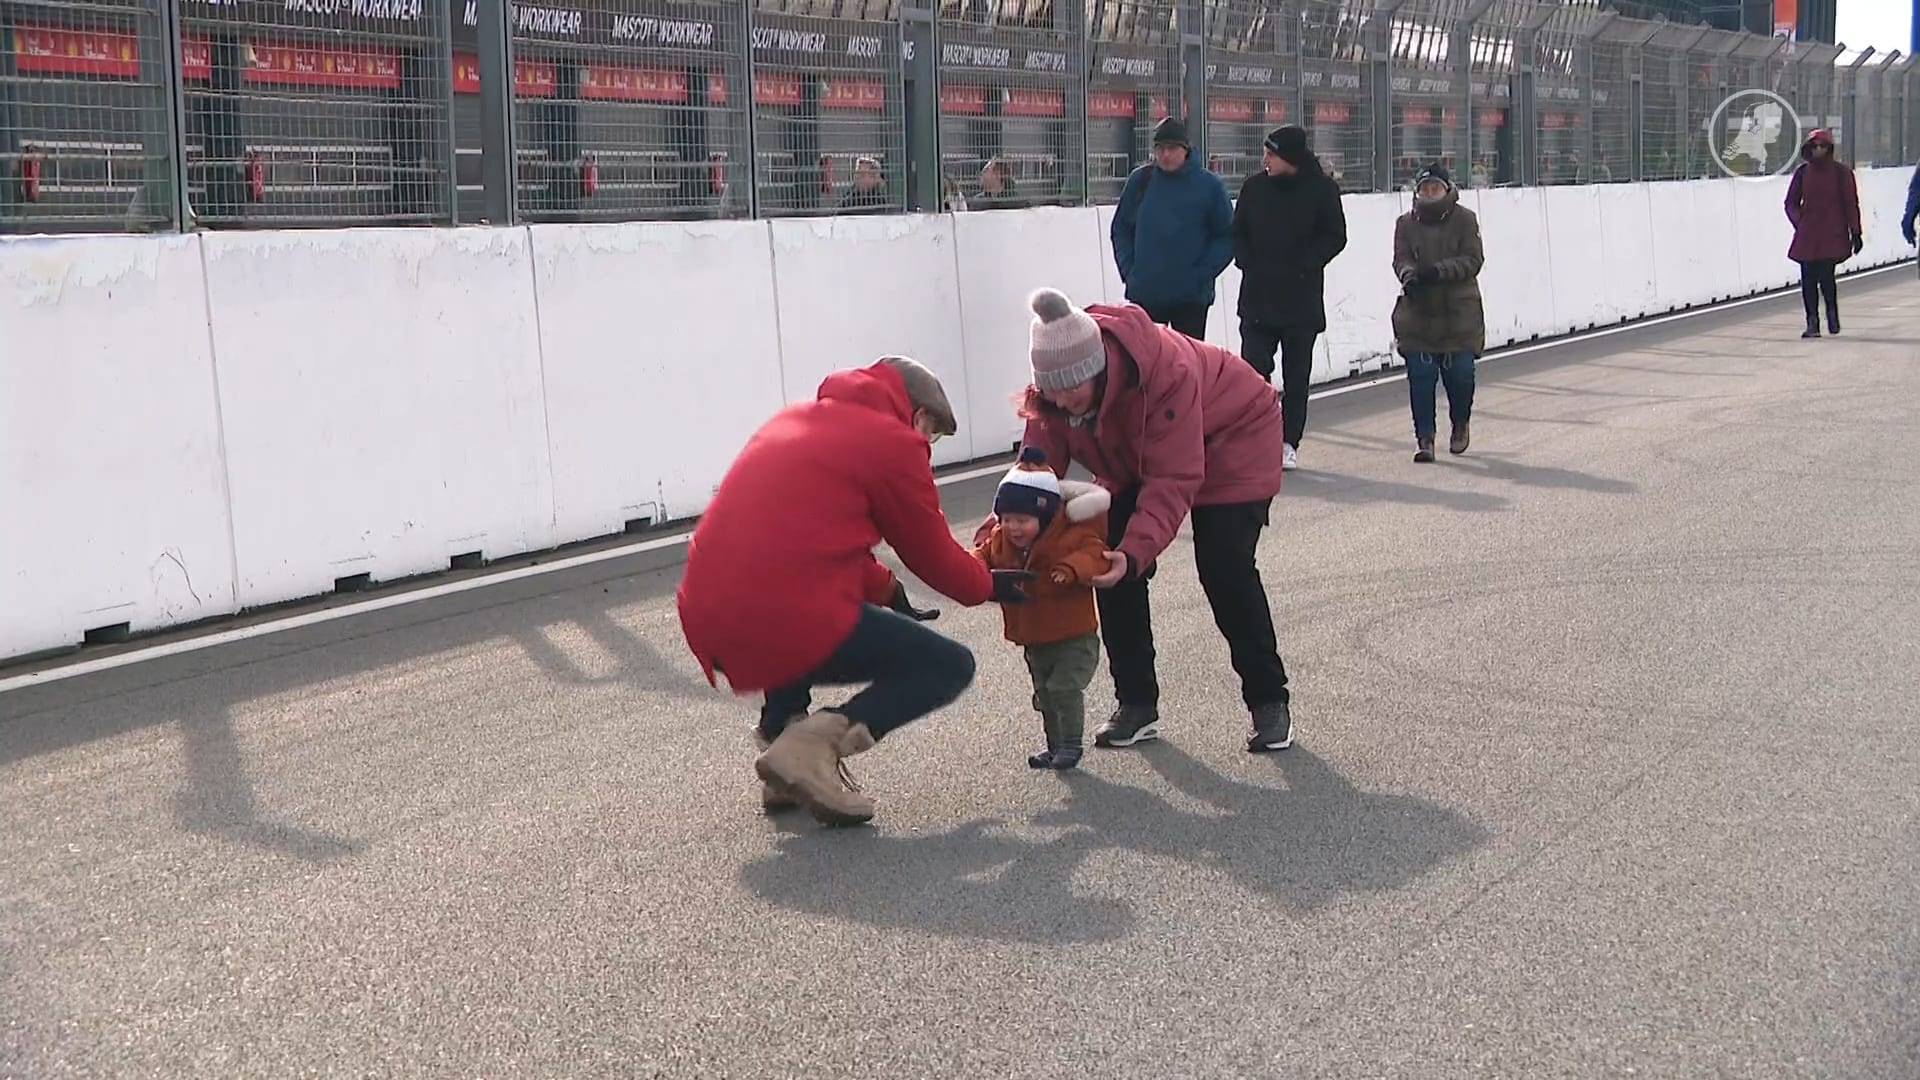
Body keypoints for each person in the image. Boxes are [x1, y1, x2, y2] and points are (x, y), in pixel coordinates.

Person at [676, 356, 1032, 826]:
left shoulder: (796, 421)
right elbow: (935, 556)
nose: (928, 444)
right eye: (934, 434)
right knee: (948, 665)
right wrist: (988, 584)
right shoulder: (894, 445)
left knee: (795, 600)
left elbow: (802, 542)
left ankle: (785, 744)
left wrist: (887, 590)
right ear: (918, 415)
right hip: (778, 613)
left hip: (706, 614)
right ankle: (809, 750)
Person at [980, 287, 1295, 753]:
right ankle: (1136, 704)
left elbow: (1173, 478)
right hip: (1140, 454)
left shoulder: (1168, 375)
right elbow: (1035, 472)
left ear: (1098, 370)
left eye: (1072, 389)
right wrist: (999, 526)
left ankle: (1269, 701)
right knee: (1101, 561)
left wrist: (1136, 553)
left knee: (1223, 567)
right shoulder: (1054, 394)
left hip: (1236, 434)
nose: (1064, 400)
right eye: (1053, 390)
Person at [972, 447, 1112, 770]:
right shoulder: (1000, 539)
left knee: (1064, 689)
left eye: (1022, 520)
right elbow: (979, 555)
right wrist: (972, 569)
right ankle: (1054, 745)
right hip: (1034, 637)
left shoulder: (1071, 536)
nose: (1014, 528)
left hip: (1073, 636)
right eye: (1007, 519)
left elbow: (1095, 554)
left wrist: (1071, 568)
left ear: (1046, 516)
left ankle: (1072, 746)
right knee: (1044, 696)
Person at [1232, 124, 1349, 472]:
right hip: (1258, 296)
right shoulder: (1254, 188)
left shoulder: (1322, 189)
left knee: (1296, 377)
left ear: (1291, 157)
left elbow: (1336, 236)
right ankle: (1255, 438)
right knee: (1253, 374)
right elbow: (1237, 230)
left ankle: (1288, 441)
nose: (1265, 159)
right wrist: (1246, 259)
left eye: (1273, 153)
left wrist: (1306, 261)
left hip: (1300, 300)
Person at [1391, 163, 1485, 463]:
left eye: (1435, 188)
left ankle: (1460, 423)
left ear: (1447, 189)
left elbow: (1473, 260)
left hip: (1459, 313)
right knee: (1420, 377)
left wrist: (1438, 271)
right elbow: (1400, 258)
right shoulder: (1405, 224)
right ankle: (1425, 438)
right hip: (1418, 313)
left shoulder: (1465, 220)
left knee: (1460, 377)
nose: (1430, 193)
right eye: (1425, 188)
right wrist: (1409, 275)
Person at [1109, 118, 1234, 340]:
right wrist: (1130, 271)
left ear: (1185, 150)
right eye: (1160, 149)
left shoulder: (1209, 186)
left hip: (1190, 298)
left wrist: (1201, 274)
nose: (1165, 155)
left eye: (1172, 148)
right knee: (1147, 365)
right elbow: (1121, 230)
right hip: (1147, 293)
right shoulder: (1141, 181)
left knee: (1187, 365)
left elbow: (1226, 236)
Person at [1784, 129, 1863, 338]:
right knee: (1808, 278)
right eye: (1814, 146)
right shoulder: (1802, 172)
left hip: (1832, 233)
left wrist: (1855, 232)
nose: (1818, 150)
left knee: (1826, 277)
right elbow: (1790, 202)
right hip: (1808, 234)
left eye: (1822, 146)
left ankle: (1832, 314)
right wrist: (1800, 221)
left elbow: (1850, 203)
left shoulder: (1841, 173)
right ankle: (1812, 322)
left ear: (1829, 149)